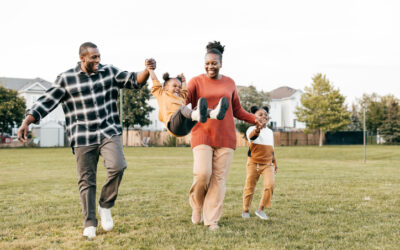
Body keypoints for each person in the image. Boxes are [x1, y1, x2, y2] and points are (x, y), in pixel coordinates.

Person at [17, 42, 156, 239]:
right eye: (94, 58)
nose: (98, 61)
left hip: (109, 130)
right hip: (82, 135)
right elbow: (46, 102)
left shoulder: (108, 72)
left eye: (99, 56)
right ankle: (90, 223)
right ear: (82, 58)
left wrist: (147, 70)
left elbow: (134, 80)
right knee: (86, 180)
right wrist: (27, 121)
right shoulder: (66, 79)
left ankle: (105, 205)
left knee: (118, 166)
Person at [186, 41, 263, 230]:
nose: (210, 66)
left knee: (218, 180)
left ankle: (212, 220)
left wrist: (255, 119)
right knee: (203, 174)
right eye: (207, 63)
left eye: (214, 63)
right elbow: (182, 101)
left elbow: (237, 109)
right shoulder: (195, 81)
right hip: (202, 134)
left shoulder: (229, 82)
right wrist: (174, 88)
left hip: (226, 137)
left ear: (221, 63)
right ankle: (197, 206)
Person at [148, 69, 229, 136]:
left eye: (179, 87)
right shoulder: (162, 94)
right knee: (183, 108)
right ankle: (197, 115)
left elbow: (184, 90)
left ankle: (215, 114)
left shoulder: (181, 97)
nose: (178, 88)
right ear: (165, 87)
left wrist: (183, 81)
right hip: (173, 126)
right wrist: (150, 70)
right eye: (174, 86)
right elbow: (155, 82)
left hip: (186, 128)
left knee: (197, 109)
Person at [242, 106, 278, 220]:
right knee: (249, 187)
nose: (264, 116)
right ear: (254, 117)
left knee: (270, 185)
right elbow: (253, 137)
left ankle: (260, 209)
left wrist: (274, 162)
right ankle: (245, 210)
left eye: (265, 114)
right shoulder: (251, 130)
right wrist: (258, 128)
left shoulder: (270, 132)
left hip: (267, 164)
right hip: (253, 163)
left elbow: (271, 148)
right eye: (260, 114)